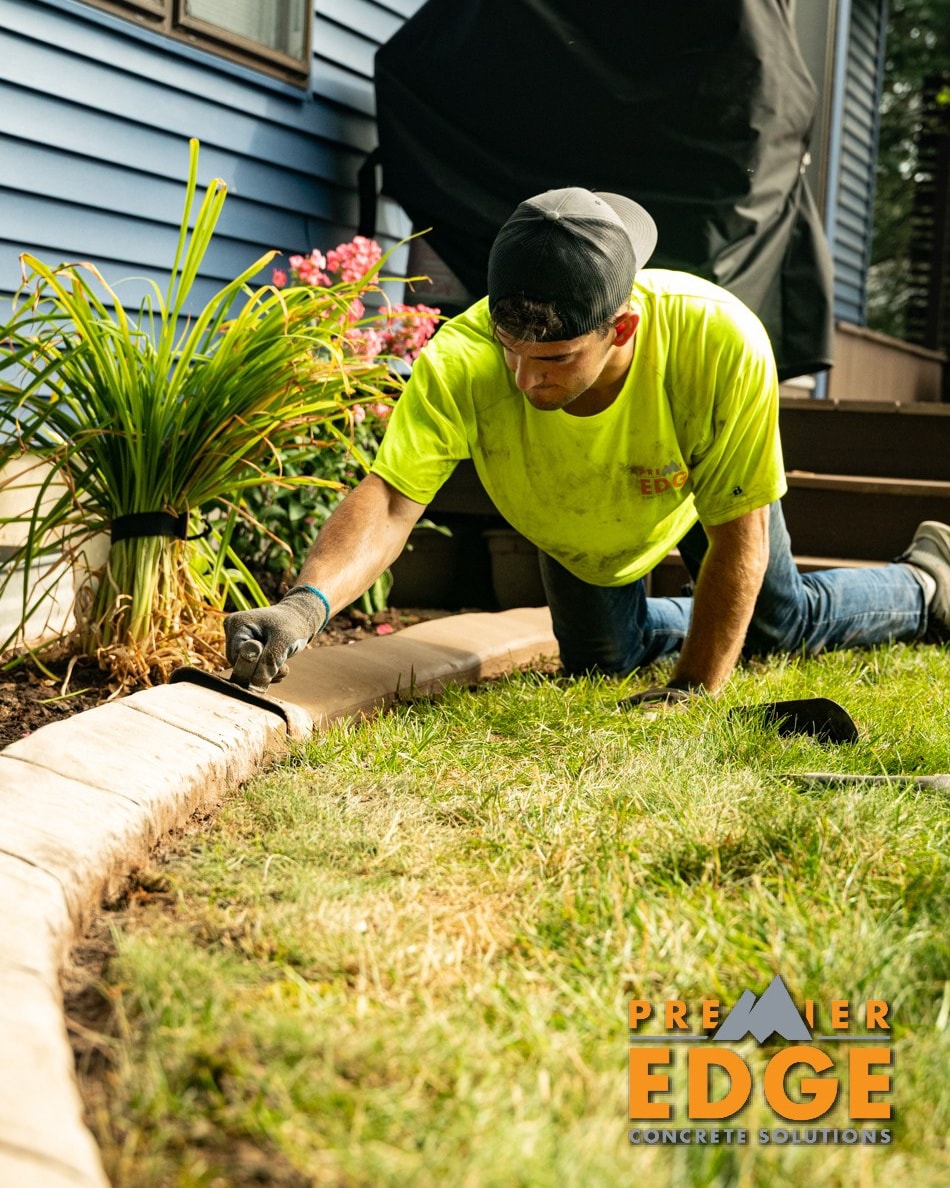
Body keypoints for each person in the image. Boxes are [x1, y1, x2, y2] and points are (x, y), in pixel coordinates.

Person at [225, 188, 950, 700]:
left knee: (779, 627)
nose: (524, 378)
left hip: (698, 501)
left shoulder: (716, 340)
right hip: (574, 529)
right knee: (607, 664)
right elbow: (387, 504)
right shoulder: (462, 358)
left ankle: (925, 583)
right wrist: (303, 608)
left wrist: (694, 690)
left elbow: (742, 536)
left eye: (556, 360)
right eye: (510, 349)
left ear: (621, 330)